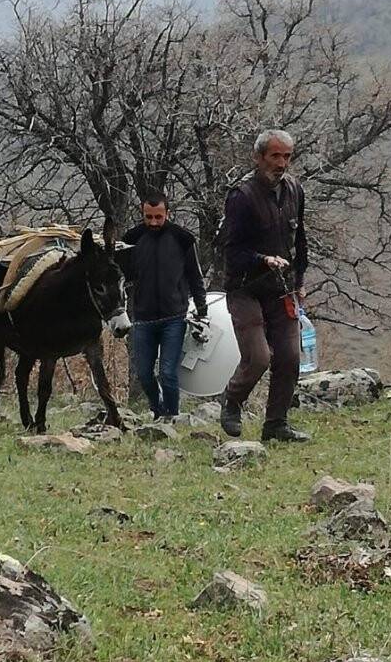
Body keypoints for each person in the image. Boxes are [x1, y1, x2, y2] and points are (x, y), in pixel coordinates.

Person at [219, 129, 311, 443]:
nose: (281, 163)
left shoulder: (295, 190)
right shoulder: (242, 196)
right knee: (259, 357)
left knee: (290, 357)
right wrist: (263, 259)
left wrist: (299, 282)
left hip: (282, 289)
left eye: (287, 156)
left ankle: (276, 425)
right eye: (275, 156)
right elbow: (231, 250)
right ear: (258, 158)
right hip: (245, 288)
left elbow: (300, 241)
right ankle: (231, 400)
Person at [122, 191, 208, 419]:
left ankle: (172, 416)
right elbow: (120, 277)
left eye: (158, 217)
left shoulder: (183, 239)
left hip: (174, 317)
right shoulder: (131, 239)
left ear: (167, 213)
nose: (153, 222)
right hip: (142, 318)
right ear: (142, 214)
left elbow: (195, 277)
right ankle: (157, 410)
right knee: (143, 374)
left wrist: (203, 312)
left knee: (168, 372)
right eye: (148, 217)